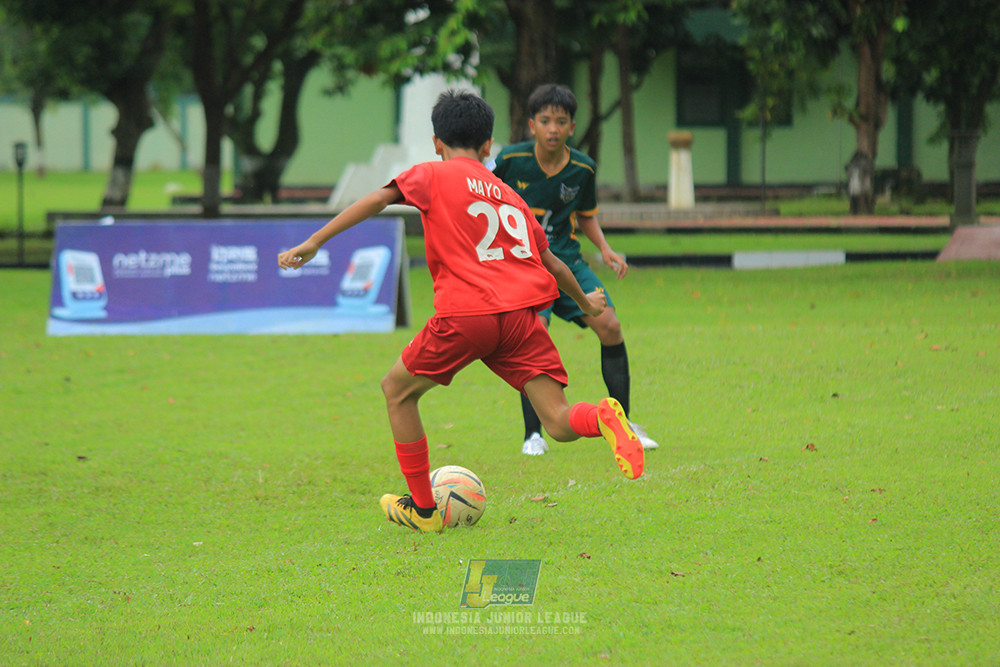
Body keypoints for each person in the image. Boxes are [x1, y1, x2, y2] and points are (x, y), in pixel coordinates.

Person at [278, 90, 644, 534]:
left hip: (468, 313)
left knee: (397, 391)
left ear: (437, 142)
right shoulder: (511, 197)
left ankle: (424, 510)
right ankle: (604, 415)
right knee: (559, 420)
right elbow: (553, 263)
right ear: (489, 145)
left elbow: (378, 199)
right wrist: (586, 304)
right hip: (522, 320)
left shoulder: (433, 174)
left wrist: (316, 241)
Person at [492, 83, 659, 457]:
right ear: (531, 124)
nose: (553, 128)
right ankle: (532, 434)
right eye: (546, 121)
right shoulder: (510, 161)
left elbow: (586, 215)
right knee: (534, 334)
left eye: (561, 121)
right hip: (525, 265)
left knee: (610, 326)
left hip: (566, 260)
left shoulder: (583, 168)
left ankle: (625, 424)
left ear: (571, 126)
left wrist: (605, 248)